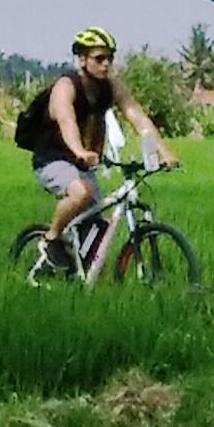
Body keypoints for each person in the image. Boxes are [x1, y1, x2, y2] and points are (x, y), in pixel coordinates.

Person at [16, 28, 177, 264]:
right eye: (99, 58)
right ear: (82, 59)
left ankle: (82, 273)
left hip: (84, 163)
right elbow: (66, 120)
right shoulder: (66, 86)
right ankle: (51, 239)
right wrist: (79, 150)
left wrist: (164, 152)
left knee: (96, 233)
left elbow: (137, 117)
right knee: (81, 193)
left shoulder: (110, 87)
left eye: (109, 58)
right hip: (53, 159)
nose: (106, 65)